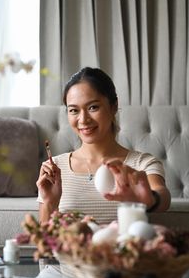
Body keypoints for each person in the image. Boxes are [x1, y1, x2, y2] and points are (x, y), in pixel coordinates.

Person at [36, 67, 171, 224]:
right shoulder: (54, 168)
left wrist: (149, 199)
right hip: (70, 249)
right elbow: (44, 242)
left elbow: (163, 196)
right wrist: (49, 203)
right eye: (74, 110)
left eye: (93, 107)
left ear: (113, 106)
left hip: (122, 249)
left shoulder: (142, 163)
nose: (83, 119)